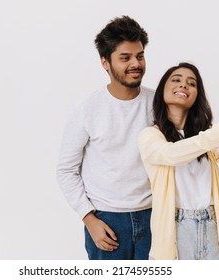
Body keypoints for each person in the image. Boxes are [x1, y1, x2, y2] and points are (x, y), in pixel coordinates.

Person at [138, 62, 219, 260]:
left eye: (191, 83)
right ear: (161, 91)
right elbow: (170, 154)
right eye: (176, 80)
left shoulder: (207, 138)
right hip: (175, 232)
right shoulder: (150, 136)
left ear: (196, 95)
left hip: (212, 228)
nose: (183, 85)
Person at [56, 16, 154, 260]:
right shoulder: (86, 109)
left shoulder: (158, 103)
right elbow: (66, 170)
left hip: (155, 216)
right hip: (107, 221)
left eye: (139, 56)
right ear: (105, 62)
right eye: (125, 58)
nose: (136, 63)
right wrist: (89, 219)